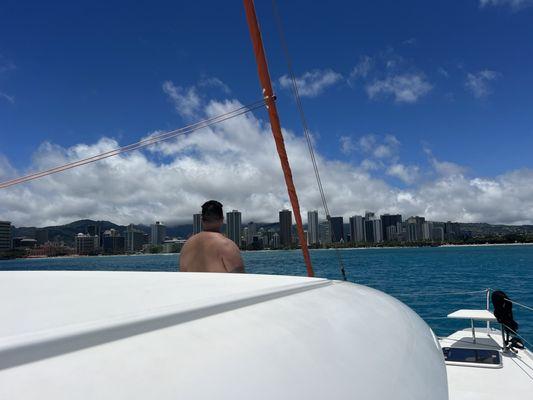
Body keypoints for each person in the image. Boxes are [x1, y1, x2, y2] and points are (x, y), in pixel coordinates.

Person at [179, 200, 245, 273]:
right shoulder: (226, 245)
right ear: (222, 219)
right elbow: (240, 279)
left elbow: (183, 275)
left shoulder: (186, 246)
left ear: (202, 220)